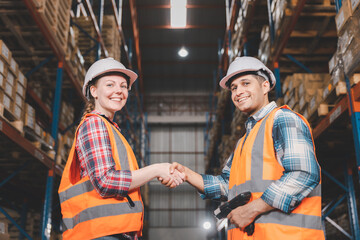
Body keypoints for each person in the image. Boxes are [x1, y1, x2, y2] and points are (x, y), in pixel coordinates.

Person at [166, 56, 325, 239]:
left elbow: (304, 173)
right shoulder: (244, 141)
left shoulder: (282, 119)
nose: (238, 92)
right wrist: (187, 174)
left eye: (246, 83)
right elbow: (228, 186)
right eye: (234, 88)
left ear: (265, 86)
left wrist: (252, 209)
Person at [58, 58, 184, 240]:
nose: (119, 91)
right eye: (110, 85)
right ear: (94, 91)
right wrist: (156, 169)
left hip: (109, 232)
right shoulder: (94, 124)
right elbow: (105, 181)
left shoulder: (111, 129)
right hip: (99, 233)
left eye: (123, 86)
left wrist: (161, 172)